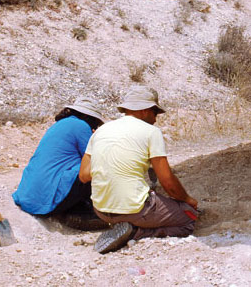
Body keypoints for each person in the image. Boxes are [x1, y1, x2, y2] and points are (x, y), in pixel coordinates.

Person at [79, 86, 199, 254]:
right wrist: (187, 199)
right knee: (189, 218)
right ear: (144, 110)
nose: (156, 119)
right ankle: (136, 232)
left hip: (101, 210)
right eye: (155, 113)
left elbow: (84, 175)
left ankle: (125, 226)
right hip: (134, 209)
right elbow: (167, 182)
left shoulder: (100, 131)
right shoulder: (152, 132)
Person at [12, 97, 109, 230]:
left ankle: (75, 208)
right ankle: (94, 212)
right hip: (45, 202)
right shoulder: (81, 126)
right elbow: (93, 159)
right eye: (96, 123)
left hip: (28, 198)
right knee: (95, 167)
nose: (95, 127)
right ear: (87, 116)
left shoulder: (59, 125)